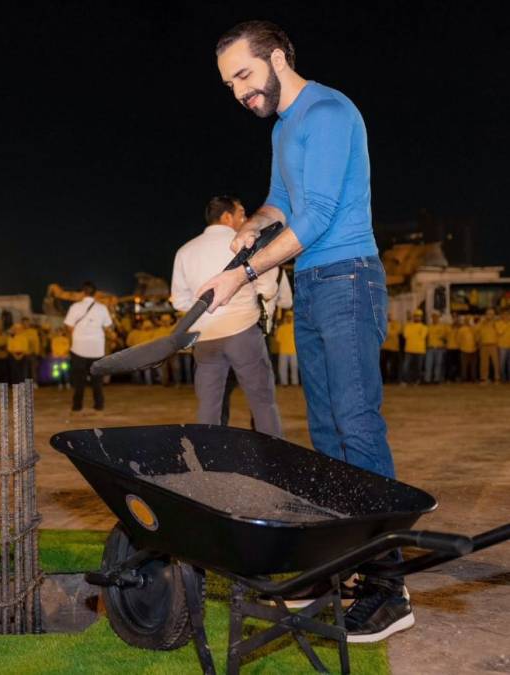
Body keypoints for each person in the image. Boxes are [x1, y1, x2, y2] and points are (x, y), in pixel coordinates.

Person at [201, 22, 408, 639]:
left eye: (244, 74)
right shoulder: (287, 127)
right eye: (229, 84)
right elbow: (281, 201)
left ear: (279, 57)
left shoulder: (327, 110)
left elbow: (316, 217)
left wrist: (242, 275)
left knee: (357, 426)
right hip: (314, 289)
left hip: (348, 278)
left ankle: (387, 586)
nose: (239, 92)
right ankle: (337, 563)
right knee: (325, 435)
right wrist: (253, 225)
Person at [171, 195, 281, 435]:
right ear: (227, 217)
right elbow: (268, 287)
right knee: (262, 402)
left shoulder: (185, 251)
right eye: (242, 213)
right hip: (242, 330)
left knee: (209, 407)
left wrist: (207, 312)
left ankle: (209, 459)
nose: (246, 219)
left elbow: (179, 300)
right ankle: (274, 458)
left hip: (205, 336)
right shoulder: (246, 242)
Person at [63, 281, 112, 412]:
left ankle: (77, 406)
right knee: (97, 380)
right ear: (95, 293)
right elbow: (108, 326)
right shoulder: (102, 308)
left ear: (83, 292)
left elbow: (68, 326)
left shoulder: (74, 307)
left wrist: (78, 334)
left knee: (79, 380)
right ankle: (99, 405)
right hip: (97, 349)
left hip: (79, 349)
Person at [401, 310, 427, 385]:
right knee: (406, 366)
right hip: (409, 349)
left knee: (418, 367)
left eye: (418, 316)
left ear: (421, 317)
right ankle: (405, 380)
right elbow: (405, 335)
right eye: (416, 316)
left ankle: (416, 380)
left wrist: (413, 335)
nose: (417, 318)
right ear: (414, 317)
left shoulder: (424, 327)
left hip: (419, 350)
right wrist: (416, 334)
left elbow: (422, 336)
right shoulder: (408, 325)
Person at [477, 308, 500, 383]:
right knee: (484, 363)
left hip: (493, 345)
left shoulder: (497, 323)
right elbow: (477, 331)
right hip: (483, 345)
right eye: (488, 314)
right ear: (485, 315)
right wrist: (478, 342)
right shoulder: (482, 323)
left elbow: (500, 332)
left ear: (494, 315)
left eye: (491, 314)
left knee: (495, 362)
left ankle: (497, 378)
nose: (489, 315)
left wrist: (494, 324)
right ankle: (484, 378)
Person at [424, 311, 448, 384]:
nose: (435, 318)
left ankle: (436, 379)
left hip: (439, 348)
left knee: (438, 364)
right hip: (430, 348)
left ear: (438, 318)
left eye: (436, 317)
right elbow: (426, 337)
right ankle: (427, 379)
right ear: (432, 318)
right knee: (428, 364)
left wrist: (443, 342)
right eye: (433, 317)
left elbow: (445, 337)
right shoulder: (428, 326)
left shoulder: (443, 327)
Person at [275, 310, 298, 386]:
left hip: (293, 351)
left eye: (290, 317)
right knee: (282, 368)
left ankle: (295, 383)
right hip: (283, 351)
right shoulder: (281, 328)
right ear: (285, 318)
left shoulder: (296, 328)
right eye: (287, 317)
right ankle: (283, 383)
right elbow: (278, 339)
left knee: (294, 368)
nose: (289, 318)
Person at [380, 313, 402, 384]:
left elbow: (396, 332)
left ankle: (394, 379)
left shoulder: (396, 323)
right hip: (384, 347)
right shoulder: (382, 323)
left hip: (394, 347)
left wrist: (386, 333)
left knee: (394, 365)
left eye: (389, 315)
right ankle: (383, 379)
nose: (388, 317)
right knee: (383, 364)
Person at [457, 315, 478, 382]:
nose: (468, 321)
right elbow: (458, 339)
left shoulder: (474, 328)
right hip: (464, 349)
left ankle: (473, 378)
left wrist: (476, 346)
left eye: (469, 320)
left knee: (473, 365)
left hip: (474, 349)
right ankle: (464, 378)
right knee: (464, 365)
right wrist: (461, 346)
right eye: (467, 320)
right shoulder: (462, 329)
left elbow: (477, 337)